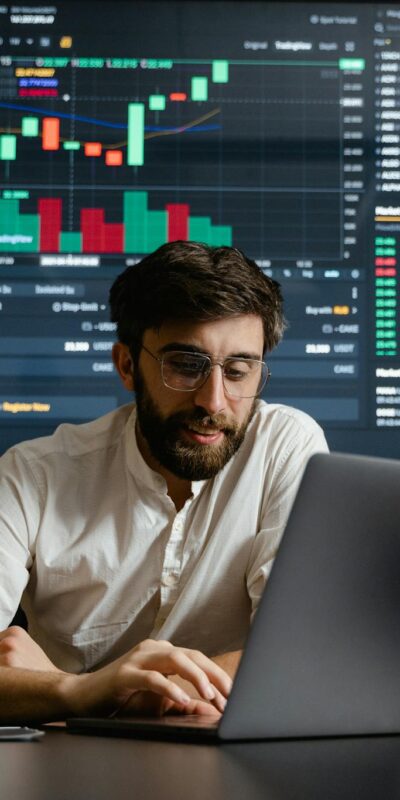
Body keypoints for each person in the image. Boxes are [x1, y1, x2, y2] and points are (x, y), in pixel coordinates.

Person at [0, 241, 328, 724]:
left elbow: (297, 654)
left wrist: (89, 691)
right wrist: (79, 691)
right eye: (185, 366)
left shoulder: (285, 446)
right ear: (128, 366)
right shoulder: (32, 475)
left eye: (239, 371)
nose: (214, 401)